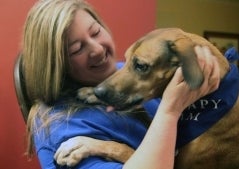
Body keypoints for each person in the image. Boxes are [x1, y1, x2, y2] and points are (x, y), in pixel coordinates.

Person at [21, 0, 220, 168]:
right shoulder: (60, 127)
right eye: (77, 49)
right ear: (57, 66)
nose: (98, 49)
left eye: (96, 31)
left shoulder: (125, 71)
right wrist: (170, 111)